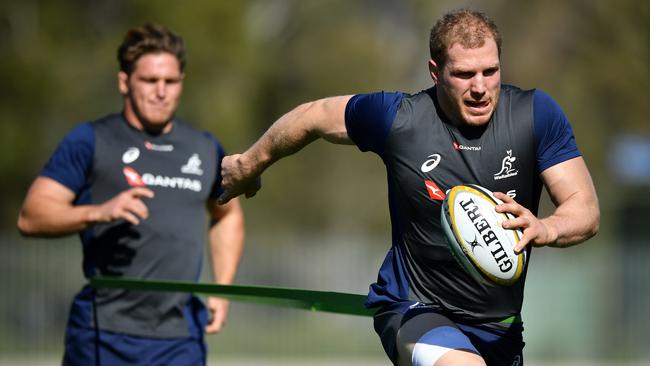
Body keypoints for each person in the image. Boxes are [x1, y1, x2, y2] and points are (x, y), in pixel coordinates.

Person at [217, 8, 599, 366]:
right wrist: (247, 165)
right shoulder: (399, 119)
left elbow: (584, 208)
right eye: (465, 74)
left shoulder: (534, 115)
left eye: (490, 71)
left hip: (500, 328)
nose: (481, 87)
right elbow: (315, 116)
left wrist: (545, 227)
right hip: (415, 308)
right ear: (435, 71)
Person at [17, 23, 245, 365]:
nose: (161, 92)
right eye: (150, 81)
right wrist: (97, 212)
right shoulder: (91, 140)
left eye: (171, 81)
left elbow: (228, 215)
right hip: (103, 333)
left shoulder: (204, 148)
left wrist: (222, 289)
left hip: (180, 338)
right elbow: (31, 216)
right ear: (124, 82)